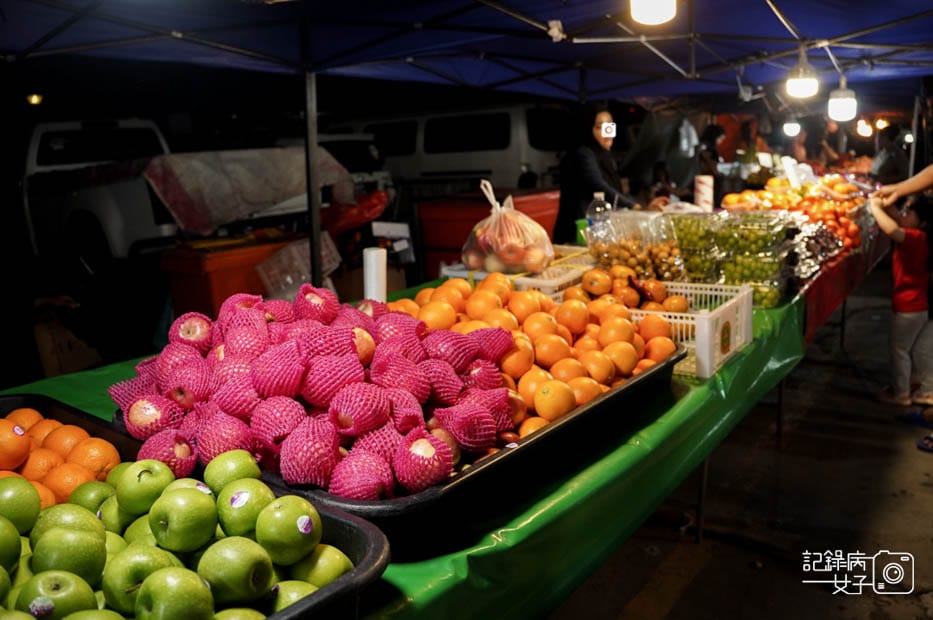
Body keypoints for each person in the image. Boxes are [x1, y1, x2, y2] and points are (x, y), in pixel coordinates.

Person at [555, 103, 657, 244]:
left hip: (597, 231)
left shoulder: (603, 156)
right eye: (599, 127)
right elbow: (598, 185)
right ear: (587, 129)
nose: (607, 132)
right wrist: (634, 205)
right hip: (578, 233)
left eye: (610, 126)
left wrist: (639, 203)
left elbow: (615, 190)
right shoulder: (583, 153)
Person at [869, 195, 933, 407]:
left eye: (908, 212)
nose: (903, 214)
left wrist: (874, 207)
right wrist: (886, 203)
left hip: (909, 306)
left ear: (922, 221)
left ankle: (901, 393)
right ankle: (925, 390)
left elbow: (891, 229)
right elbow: (897, 220)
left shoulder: (915, 238)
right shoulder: (923, 237)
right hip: (921, 304)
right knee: (918, 349)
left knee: (899, 350)